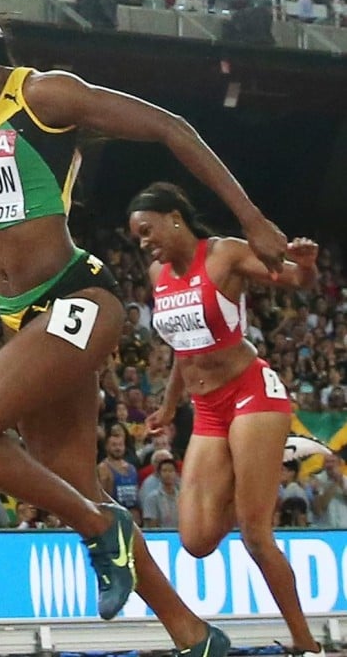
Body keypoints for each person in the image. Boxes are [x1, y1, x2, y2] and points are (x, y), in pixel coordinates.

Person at [0, 0, 284, 651]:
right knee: (73, 481)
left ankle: (105, 529)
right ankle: (193, 635)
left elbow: (171, 128)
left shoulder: (43, 97)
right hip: (26, 320)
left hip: (78, 300)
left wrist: (251, 219)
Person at [130, 182, 323, 657]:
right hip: (208, 409)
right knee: (195, 540)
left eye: (147, 230)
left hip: (251, 394)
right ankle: (247, 474)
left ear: (175, 217)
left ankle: (306, 643)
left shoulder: (223, 256)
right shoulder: (157, 273)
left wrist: (308, 263)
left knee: (255, 533)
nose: (143, 243)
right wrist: (170, 405)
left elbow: (296, 281)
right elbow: (182, 346)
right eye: (136, 237)